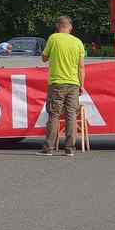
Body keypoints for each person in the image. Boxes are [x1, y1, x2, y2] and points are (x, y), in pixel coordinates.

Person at [37, 16, 86, 157]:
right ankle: (70, 149)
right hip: (74, 84)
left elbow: (44, 58)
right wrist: (82, 85)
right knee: (71, 115)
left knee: (54, 115)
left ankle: (48, 148)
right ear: (70, 27)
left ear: (58, 26)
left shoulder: (53, 38)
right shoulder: (78, 42)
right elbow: (81, 67)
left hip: (57, 83)